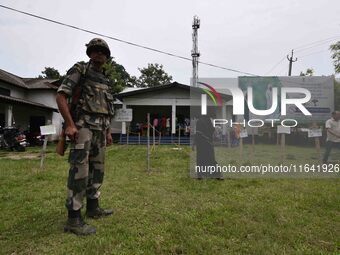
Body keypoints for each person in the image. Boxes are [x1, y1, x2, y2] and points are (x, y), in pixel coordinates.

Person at [56, 38, 114, 235]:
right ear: (89, 53)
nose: (99, 54)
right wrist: (70, 124)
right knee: (79, 171)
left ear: (107, 56)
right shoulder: (80, 70)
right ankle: (73, 219)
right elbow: (61, 95)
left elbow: (107, 107)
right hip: (82, 128)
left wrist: (107, 131)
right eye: (95, 50)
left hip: (100, 130)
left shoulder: (106, 78)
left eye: (103, 51)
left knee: (97, 170)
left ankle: (93, 207)